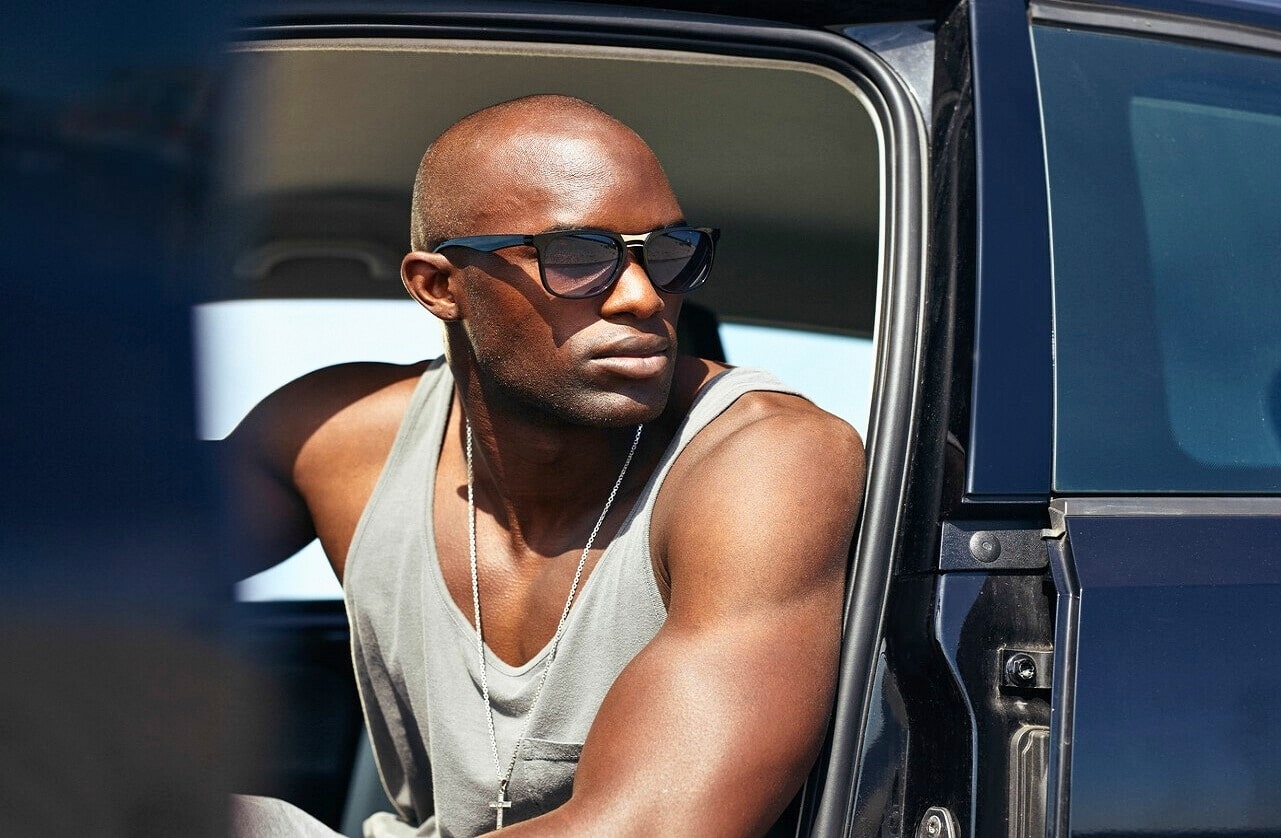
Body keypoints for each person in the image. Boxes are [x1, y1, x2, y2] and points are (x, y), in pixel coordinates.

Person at [226, 94, 865, 837]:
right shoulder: (335, 439)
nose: (643, 296)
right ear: (439, 287)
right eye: (577, 257)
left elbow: (654, 829)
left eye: (666, 254)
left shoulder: (765, 458)